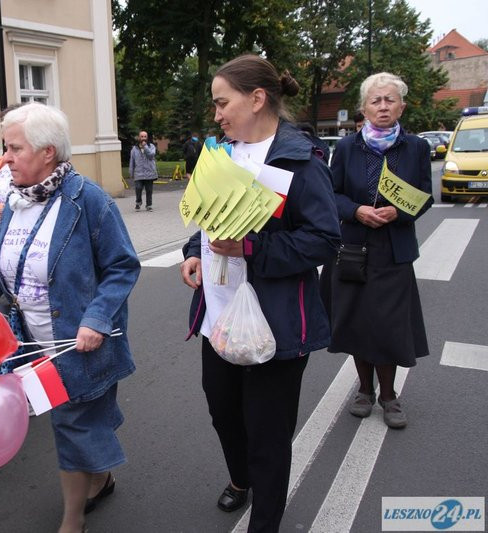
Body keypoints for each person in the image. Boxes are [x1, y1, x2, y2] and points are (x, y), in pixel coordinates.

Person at [0, 102, 140, 533]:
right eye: (5, 149)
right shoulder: (17, 199)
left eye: (14, 149)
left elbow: (122, 265)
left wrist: (97, 319)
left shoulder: (87, 201)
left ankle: (71, 521)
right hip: (29, 343)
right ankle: (101, 478)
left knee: (71, 424)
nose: (5, 159)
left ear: (47, 153)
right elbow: (10, 259)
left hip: (76, 342)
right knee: (74, 421)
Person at [180, 54, 340, 533]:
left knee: (268, 434)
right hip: (218, 318)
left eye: (222, 102)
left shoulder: (299, 159)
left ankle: (265, 521)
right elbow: (207, 218)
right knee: (224, 413)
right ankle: (241, 477)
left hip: (275, 325)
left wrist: (251, 246)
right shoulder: (220, 155)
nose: (216, 114)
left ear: (257, 98)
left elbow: (325, 239)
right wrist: (193, 250)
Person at [327, 72, 431, 429]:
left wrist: (398, 212)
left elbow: (424, 198)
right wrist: (356, 210)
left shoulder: (416, 148)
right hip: (354, 246)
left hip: (393, 248)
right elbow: (332, 195)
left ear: (401, 106)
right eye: (376, 100)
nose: (383, 106)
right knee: (357, 321)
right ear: (364, 108)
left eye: (390, 100)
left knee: (388, 325)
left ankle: (388, 395)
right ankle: (364, 390)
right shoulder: (345, 148)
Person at [128, 130, 157, 211]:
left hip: (149, 172)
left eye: (145, 136)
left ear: (147, 138)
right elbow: (132, 161)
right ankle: (138, 202)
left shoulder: (151, 146)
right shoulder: (134, 149)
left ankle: (149, 205)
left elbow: (151, 156)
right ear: (139, 137)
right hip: (139, 173)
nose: (143, 138)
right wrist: (131, 172)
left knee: (149, 190)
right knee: (138, 188)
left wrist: (145, 147)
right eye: (142, 136)